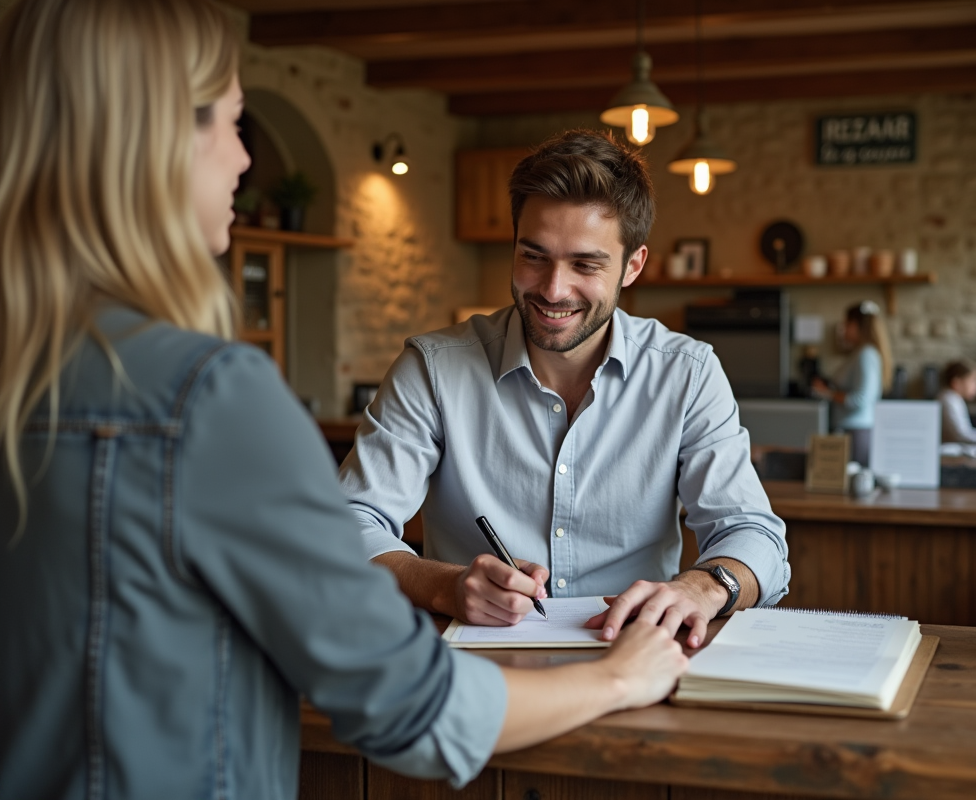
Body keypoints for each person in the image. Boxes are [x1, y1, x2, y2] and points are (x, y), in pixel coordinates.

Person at [0, 3, 688, 798]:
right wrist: (619, 679)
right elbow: (412, 708)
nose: (242, 160)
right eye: (231, 122)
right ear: (148, 142)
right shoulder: (207, 397)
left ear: (630, 267)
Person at [340, 129, 789, 650]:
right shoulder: (432, 369)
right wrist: (445, 586)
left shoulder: (686, 373)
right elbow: (348, 524)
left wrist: (703, 587)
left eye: (585, 264)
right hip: (474, 668)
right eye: (534, 256)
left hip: (637, 660)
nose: (553, 289)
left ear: (633, 266)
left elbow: (755, 536)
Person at [810, 300, 894, 466]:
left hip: (856, 434)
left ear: (856, 326)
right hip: (852, 431)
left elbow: (861, 399)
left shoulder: (866, 355)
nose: (843, 328)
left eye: (846, 323)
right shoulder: (860, 353)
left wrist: (826, 392)